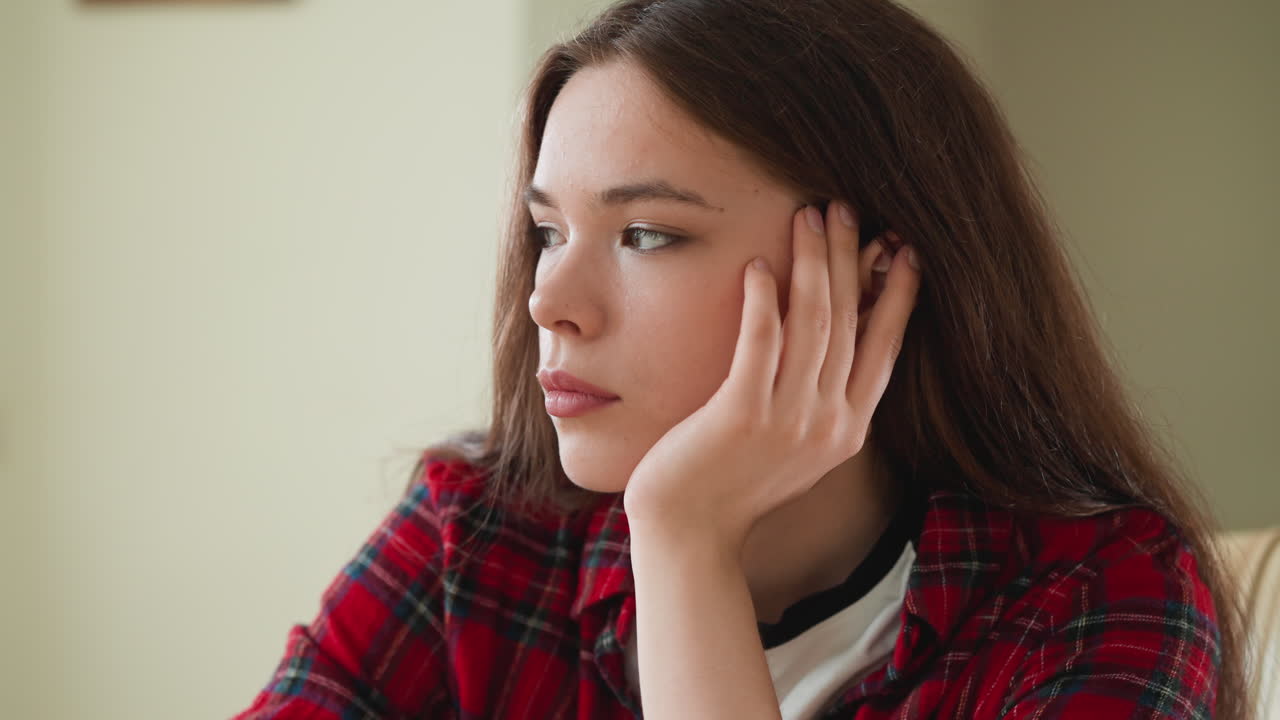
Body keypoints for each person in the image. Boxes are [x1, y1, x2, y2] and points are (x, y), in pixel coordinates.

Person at [231, 1, 1252, 718]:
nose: (549, 302)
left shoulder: (1097, 600)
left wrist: (683, 543)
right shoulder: (477, 537)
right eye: (547, 231)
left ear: (865, 276)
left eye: (645, 235)